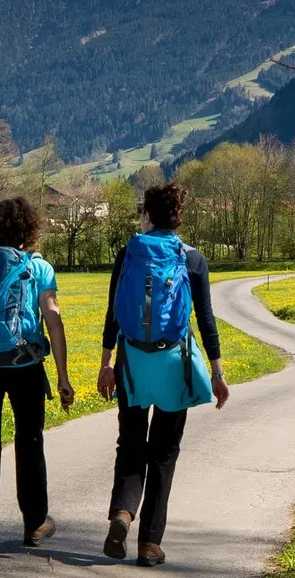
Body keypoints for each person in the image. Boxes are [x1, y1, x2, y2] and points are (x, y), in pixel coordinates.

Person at [96, 183, 229, 567]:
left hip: (133, 363)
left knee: (131, 444)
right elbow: (205, 320)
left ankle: (122, 512)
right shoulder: (193, 259)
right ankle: (149, 544)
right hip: (174, 364)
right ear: (178, 216)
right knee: (164, 452)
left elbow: (113, 314)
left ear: (147, 215)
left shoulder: (129, 253)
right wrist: (217, 373)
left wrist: (106, 365)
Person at [0, 196, 73, 557]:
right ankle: (35, 523)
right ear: (30, 229)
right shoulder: (38, 268)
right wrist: (62, 376)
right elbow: (52, 320)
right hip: (25, 365)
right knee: (30, 442)